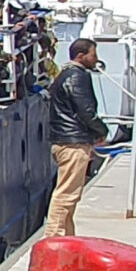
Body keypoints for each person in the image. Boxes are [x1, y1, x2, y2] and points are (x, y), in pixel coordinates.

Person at [43, 38, 110, 237]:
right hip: (74, 142)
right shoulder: (77, 76)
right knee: (67, 193)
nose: (96, 59)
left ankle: (68, 238)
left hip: (64, 139)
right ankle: (53, 236)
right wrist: (101, 131)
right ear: (81, 56)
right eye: (93, 54)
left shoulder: (64, 74)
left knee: (70, 195)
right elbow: (85, 110)